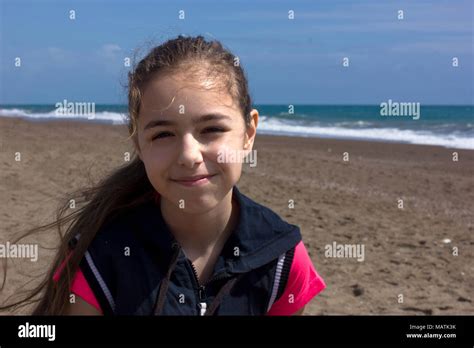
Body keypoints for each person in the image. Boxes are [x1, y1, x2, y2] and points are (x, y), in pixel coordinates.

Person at [4, 35, 326, 315]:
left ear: (248, 132)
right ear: (138, 144)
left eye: (211, 129)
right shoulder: (99, 255)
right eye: (163, 135)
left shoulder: (283, 258)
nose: (188, 155)